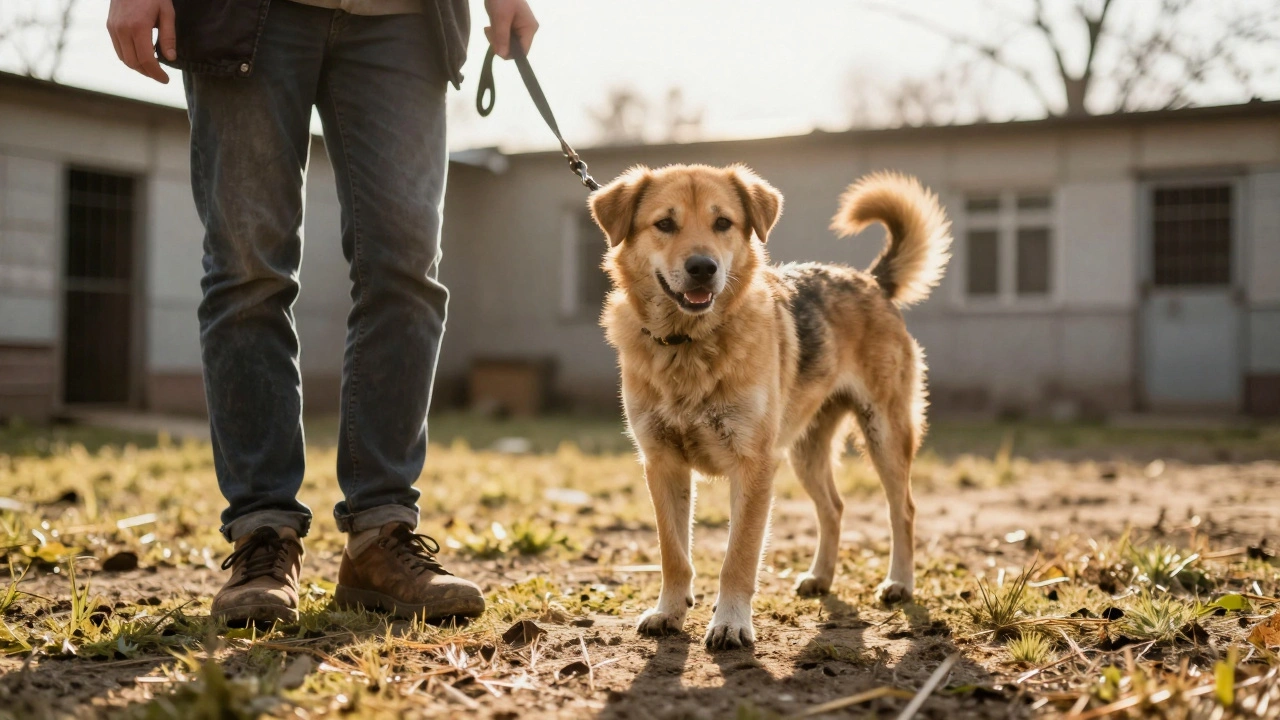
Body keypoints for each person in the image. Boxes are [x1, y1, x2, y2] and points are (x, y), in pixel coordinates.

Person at [105, 0, 538, 625]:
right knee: (248, 270)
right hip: (247, 12)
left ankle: (380, 535)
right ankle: (263, 536)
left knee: (406, 271)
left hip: (404, 21)